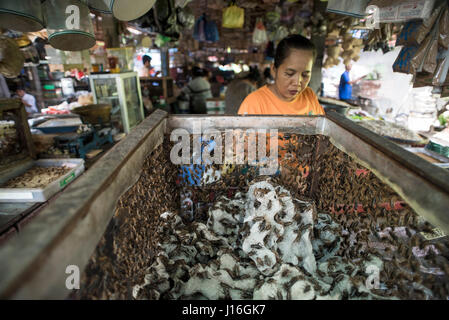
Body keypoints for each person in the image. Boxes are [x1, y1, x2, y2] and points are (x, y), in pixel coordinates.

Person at [238, 34, 324, 116]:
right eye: (289, 74)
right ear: (274, 70)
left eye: (305, 75)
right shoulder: (254, 104)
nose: (297, 82)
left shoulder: (309, 96)